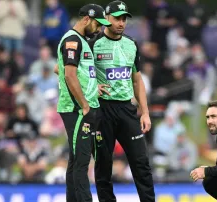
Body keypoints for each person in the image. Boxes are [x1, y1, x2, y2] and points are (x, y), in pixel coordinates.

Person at [89, 1, 155, 202]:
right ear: (106, 18)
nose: (121, 23)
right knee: (103, 165)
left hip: (127, 109)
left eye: (124, 19)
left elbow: (137, 79)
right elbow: (78, 73)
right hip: (102, 110)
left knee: (141, 162)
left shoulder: (131, 43)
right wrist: (91, 89)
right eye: (117, 18)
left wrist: (144, 112)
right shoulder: (93, 44)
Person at [56, 4, 111, 202]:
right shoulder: (72, 40)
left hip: (81, 107)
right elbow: (69, 74)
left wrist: (91, 87)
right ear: (87, 19)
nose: (99, 29)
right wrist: (85, 104)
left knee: (75, 161)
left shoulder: (80, 40)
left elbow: (60, 69)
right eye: (97, 24)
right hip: (77, 109)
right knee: (81, 162)